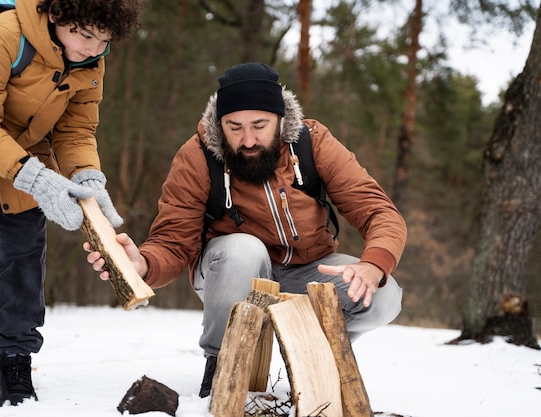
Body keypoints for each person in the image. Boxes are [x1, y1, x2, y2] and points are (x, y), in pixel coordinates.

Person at [85, 63, 406, 398]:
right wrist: (143, 266)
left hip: (307, 271)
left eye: (259, 125)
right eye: (234, 127)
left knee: (382, 295)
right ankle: (221, 367)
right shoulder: (197, 157)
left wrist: (372, 265)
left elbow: (378, 210)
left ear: (281, 121)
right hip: (229, 274)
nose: (247, 140)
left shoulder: (312, 143)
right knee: (243, 248)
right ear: (219, 124)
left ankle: (319, 353)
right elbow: (173, 241)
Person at [0, 0, 143, 406]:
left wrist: (87, 176)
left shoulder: (91, 61)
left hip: (27, 151)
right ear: (56, 15)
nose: (94, 49)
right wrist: (39, 180)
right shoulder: (3, 35)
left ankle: (16, 362)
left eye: (104, 41)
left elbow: (76, 130)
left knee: (24, 259)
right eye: (85, 36)